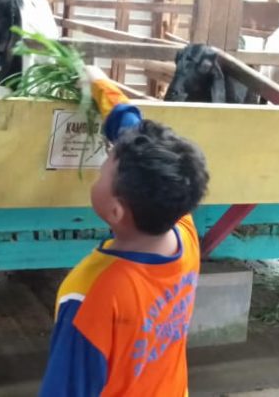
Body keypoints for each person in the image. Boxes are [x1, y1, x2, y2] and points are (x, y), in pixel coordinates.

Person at [39, 66, 210, 396]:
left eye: (104, 168)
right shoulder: (181, 229)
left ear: (116, 210)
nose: (101, 167)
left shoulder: (90, 296)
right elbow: (134, 135)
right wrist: (101, 86)